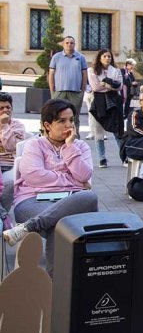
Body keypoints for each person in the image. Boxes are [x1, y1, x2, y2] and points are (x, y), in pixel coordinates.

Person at [3, 99, 98, 275]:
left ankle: (29, 227)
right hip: (33, 199)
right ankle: (57, 280)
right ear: (47, 125)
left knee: (90, 197)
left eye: (71, 120)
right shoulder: (35, 145)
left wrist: (69, 147)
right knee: (61, 223)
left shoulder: (80, 146)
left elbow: (84, 175)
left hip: (70, 200)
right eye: (62, 121)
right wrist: (73, 181)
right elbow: (35, 176)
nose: (69, 125)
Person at [87, 49, 125, 168]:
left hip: (114, 101)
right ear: (99, 58)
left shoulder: (116, 70)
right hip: (98, 102)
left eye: (109, 56)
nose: (107, 58)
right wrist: (111, 85)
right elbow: (95, 87)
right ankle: (102, 159)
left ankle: (124, 158)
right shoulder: (92, 70)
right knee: (98, 131)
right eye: (104, 56)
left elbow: (119, 86)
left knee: (117, 130)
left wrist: (104, 84)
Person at [48, 36, 88, 133]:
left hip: (75, 93)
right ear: (63, 44)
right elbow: (51, 75)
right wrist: (52, 92)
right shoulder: (56, 57)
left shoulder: (81, 57)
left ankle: (75, 137)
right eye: (67, 43)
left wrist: (82, 91)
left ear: (74, 44)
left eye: (71, 43)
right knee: (57, 116)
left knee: (74, 117)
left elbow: (84, 75)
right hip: (59, 92)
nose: (69, 45)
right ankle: (57, 135)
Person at [0, 92, 26, 219]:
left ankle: (2, 214)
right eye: (1, 108)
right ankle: (2, 216)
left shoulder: (17, 125)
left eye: (8, 107)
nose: (5, 110)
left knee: (10, 182)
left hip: (9, 164)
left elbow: (11, 147)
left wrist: (4, 125)